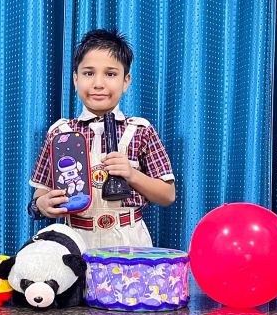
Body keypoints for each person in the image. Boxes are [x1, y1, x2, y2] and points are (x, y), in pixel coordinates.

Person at [27, 28, 175, 248]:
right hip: (76, 239)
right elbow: (41, 193)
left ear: (126, 81)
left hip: (129, 239)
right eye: (88, 73)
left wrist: (131, 174)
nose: (98, 83)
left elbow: (168, 194)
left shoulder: (141, 130)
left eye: (110, 74)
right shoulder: (59, 133)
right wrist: (42, 204)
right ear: (75, 79)